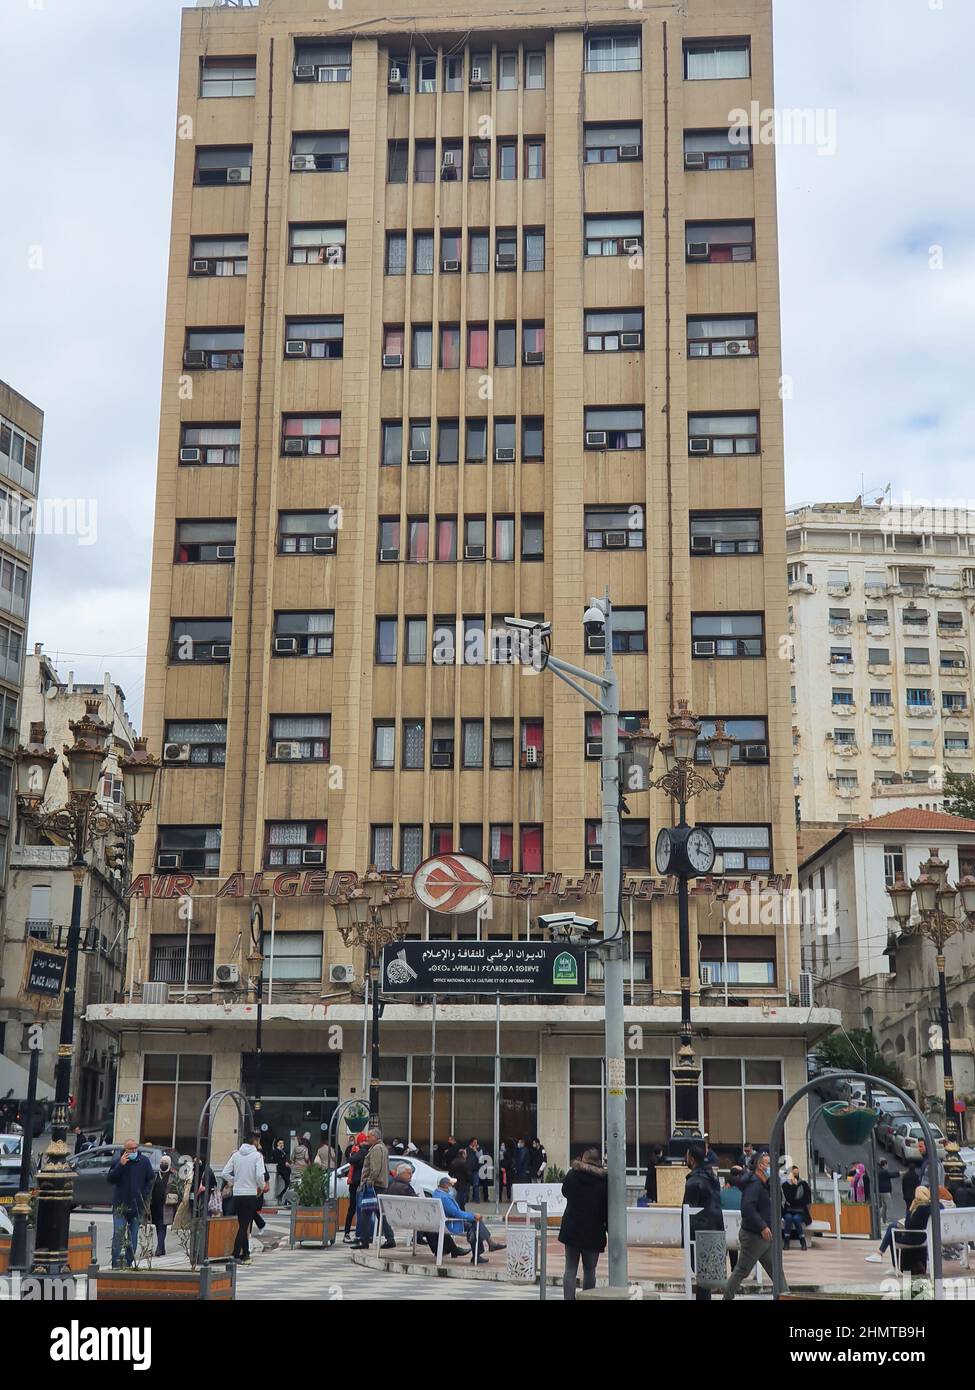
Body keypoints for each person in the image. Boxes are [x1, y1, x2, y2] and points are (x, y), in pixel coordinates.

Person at [723, 1153, 790, 1299]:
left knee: (776, 1272)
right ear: (760, 1166)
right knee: (742, 1270)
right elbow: (747, 1208)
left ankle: (786, 1297)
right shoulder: (754, 1185)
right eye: (769, 1164)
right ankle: (726, 1297)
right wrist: (762, 1227)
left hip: (765, 1237)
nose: (771, 1168)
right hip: (755, 1236)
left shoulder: (766, 1185)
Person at [558, 1148, 608, 1300]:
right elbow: (606, 1207)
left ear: (583, 1159)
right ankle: (588, 1298)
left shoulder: (572, 1175)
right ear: (599, 1162)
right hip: (594, 1232)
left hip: (572, 1229)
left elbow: (564, 1191)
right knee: (590, 1270)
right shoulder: (604, 1181)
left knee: (570, 1269)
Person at [683, 1141, 725, 1301]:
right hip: (713, 1231)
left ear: (692, 1159)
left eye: (687, 1156)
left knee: (701, 1275)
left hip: (699, 1235)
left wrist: (687, 1237)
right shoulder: (712, 1178)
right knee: (705, 1278)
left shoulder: (694, 1181)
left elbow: (690, 1212)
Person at [221, 1132, 269, 1264]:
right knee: (244, 1226)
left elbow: (225, 1173)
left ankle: (241, 1254)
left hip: (237, 1194)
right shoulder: (257, 1156)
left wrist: (235, 1180)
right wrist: (261, 1185)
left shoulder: (236, 1155)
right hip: (249, 1193)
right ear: (255, 1141)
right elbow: (260, 1175)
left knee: (243, 1224)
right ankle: (239, 1254)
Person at [431, 1176, 503, 1263]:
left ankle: (489, 1245)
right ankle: (482, 1251)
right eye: (451, 1185)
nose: (452, 1187)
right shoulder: (445, 1198)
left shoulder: (436, 1193)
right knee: (475, 1224)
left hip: (443, 1222)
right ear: (446, 1185)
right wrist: (473, 1215)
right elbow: (456, 1213)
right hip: (450, 1223)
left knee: (476, 1222)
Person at [107, 1139, 155, 1269]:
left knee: (133, 1237)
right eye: (131, 1149)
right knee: (118, 1234)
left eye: (135, 1148)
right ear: (125, 1149)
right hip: (120, 1206)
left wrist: (144, 1194)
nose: (134, 1151)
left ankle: (129, 1262)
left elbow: (150, 1179)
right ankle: (115, 1263)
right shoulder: (119, 1161)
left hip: (136, 1206)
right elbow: (110, 1179)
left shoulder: (144, 1161)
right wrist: (120, 1166)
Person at [352, 1129, 394, 1250]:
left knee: (366, 1212)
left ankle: (365, 1241)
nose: (367, 1138)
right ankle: (390, 1238)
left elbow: (375, 1168)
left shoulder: (376, 1149)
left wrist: (369, 1181)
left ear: (375, 1137)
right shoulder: (382, 1148)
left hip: (374, 1186)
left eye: (369, 1136)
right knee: (379, 1213)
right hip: (378, 1185)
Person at [781, 1165, 812, 1251]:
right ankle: (786, 1241)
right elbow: (786, 1199)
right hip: (788, 1210)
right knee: (788, 1218)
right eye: (794, 1174)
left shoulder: (803, 1185)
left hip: (800, 1211)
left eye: (797, 1174)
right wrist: (792, 1186)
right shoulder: (785, 1186)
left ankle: (802, 1241)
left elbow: (806, 1200)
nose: (795, 1176)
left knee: (796, 1219)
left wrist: (809, 1213)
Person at [150, 1155, 176, 1257]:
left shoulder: (173, 1176)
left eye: (165, 1163)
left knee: (163, 1226)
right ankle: (162, 1248)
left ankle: (159, 1249)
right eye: (162, 1162)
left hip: (167, 1206)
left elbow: (177, 1189)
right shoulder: (155, 1175)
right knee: (158, 1226)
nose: (163, 1164)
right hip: (155, 1205)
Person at [343, 1133, 367, 1242]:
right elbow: (352, 1160)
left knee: (355, 1208)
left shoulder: (357, 1150)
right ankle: (349, 1233)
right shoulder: (359, 1151)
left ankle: (352, 1233)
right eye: (364, 1140)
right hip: (355, 1183)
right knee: (354, 1208)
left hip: (356, 1182)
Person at [272, 1138, 291, 1203]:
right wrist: (284, 1163)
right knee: (287, 1183)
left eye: (282, 1143)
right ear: (277, 1144)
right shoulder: (276, 1151)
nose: (281, 1145)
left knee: (288, 1183)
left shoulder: (283, 1151)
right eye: (280, 1143)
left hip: (285, 1169)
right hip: (281, 1169)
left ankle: (284, 1197)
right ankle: (281, 1195)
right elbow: (277, 1160)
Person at [877, 1159, 893, 1225]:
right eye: (887, 1165)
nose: (888, 1166)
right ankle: (883, 1220)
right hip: (885, 1191)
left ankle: (883, 1220)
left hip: (881, 1191)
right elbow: (892, 1175)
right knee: (888, 1206)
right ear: (884, 1165)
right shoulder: (884, 1172)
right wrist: (900, 1173)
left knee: (884, 1207)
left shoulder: (879, 1171)